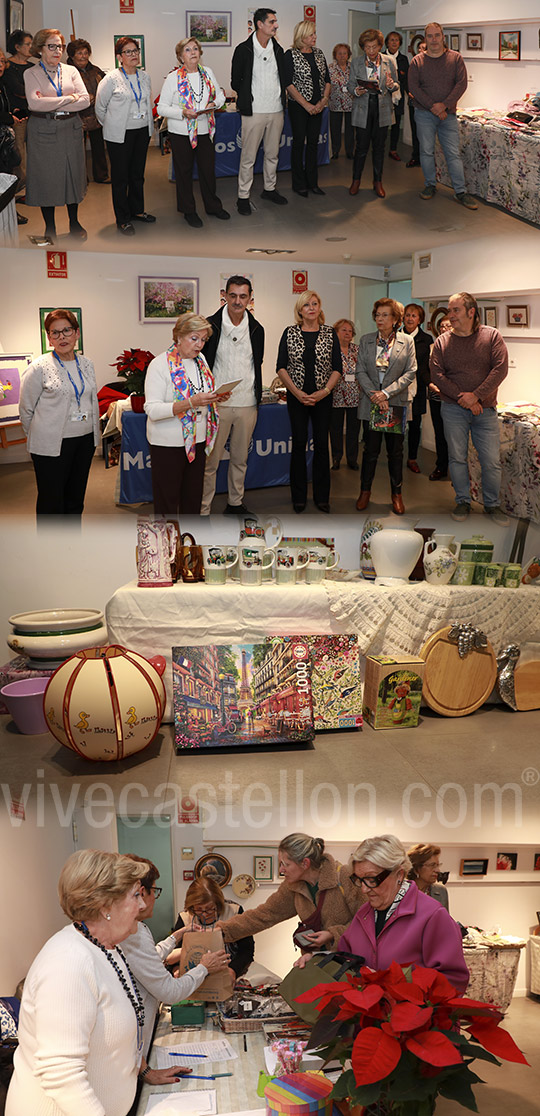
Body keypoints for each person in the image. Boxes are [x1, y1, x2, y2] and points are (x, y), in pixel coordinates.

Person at [5, 849, 181, 1116]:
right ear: (105, 905)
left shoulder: (107, 948)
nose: (143, 905)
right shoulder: (68, 962)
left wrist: (144, 1071)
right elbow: (62, 1075)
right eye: (135, 896)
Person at [119, 856, 229, 1060]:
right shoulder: (130, 932)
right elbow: (170, 991)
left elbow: (151, 955)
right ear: (141, 893)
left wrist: (179, 934)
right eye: (155, 890)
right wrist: (204, 967)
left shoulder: (137, 929)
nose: (152, 899)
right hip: (132, 1044)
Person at [337, 835, 468, 991]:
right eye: (359, 880)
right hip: (368, 1013)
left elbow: (453, 981)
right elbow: (345, 960)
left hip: (411, 1014)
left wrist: (391, 988)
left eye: (371, 879)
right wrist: (317, 961)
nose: (364, 889)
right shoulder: (364, 913)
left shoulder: (432, 915)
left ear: (399, 875)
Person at [430, 291, 509, 524]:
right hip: (453, 409)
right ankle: (463, 501)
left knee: (491, 461)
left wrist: (476, 396)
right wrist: (463, 398)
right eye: (449, 310)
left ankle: (492, 505)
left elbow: (500, 370)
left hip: (485, 409)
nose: (450, 315)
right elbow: (437, 375)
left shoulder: (492, 336)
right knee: (456, 458)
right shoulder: (442, 341)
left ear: (471, 311)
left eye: (455, 310)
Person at [144, 311, 231, 515]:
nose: (200, 345)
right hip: (167, 444)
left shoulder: (200, 361)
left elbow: (202, 392)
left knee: (192, 500)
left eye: (203, 339)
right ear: (178, 336)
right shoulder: (159, 365)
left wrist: (216, 397)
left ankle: (189, 543)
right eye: (194, 339)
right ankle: (168, 545)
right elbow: (152, 409)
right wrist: (190, 403)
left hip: (197, 440)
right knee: (167, 503)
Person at [217, 833, 362, 951]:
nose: (281, 870)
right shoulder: (292, 886)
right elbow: (264, 915)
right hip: (317, 962)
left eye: (285, 864)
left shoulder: (344, 876)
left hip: (351, 961)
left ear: (305, 863)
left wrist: (333, 934)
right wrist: (221, 931)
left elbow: (367, 922)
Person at [19, 309, 99, 517]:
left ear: (77, 333)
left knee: (75, 499)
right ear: (49, 338)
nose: (62, 337)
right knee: (51, 502)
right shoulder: (39, 368)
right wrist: (39, 437)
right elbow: (26, 409)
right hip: (51, 445)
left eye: (67, 330)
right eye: (55, 333)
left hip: (84, 441)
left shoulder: (87, 364)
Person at [200, 275, 264, 516]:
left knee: (240, 459)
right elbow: (200, 363)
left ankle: (235, 503)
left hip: (247, 404)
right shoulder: (209, 326)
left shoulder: (257, 329)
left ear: (250, 299)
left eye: (243, 296)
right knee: (210, 462)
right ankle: (203, 508)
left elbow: (256, 364)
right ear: (224, 295)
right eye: (233, 295)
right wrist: (210, 394)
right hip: (217, 406)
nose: (238, 301)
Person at [276, 290, 342, 514]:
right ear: (300, 310)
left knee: (322, 447)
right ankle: (299, 497)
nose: (311, 308)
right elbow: (281, 366)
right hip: (297, 398)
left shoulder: (330, 333)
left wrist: (324, 391)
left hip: (323, 399)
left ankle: (322, 497)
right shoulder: (290, 332)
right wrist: (295, 392)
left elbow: (337, 369)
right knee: (298, 446)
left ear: (320, 308)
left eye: (315, 304)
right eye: (307, 305)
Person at [23, 28, 90, 241]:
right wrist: (70, 98)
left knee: (73, 176)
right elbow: (35, 103)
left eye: (59, 46)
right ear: (40, 49)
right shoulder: (31, 73)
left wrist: (50, 102)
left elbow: (86, 100)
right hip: (43, 130)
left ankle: (74, 221)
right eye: (51, 46)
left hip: (70, 128)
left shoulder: (71, 71)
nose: (57, 51)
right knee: (46, 179)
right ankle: (49, 227)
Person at [157, 37, 228, 229]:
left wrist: (215, 103)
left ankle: (213, 207)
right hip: (181, 133)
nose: (193, 52)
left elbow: (220, 95)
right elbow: (161, 108)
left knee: (207, 170)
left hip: (205, 130)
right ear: (181, 56)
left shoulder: (208, 73)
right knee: (184, 172)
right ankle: (188, 210)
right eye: (187, 50)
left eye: (195, 48)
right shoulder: (173, 78)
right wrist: (182, 112)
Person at [355, 298, 416, 516]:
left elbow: (410, 372)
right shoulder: (366, 340)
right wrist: (376, 395)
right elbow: (360, 370)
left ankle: (396, 495)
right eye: (377, 315)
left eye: (385, 315)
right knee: (370, 451)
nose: (380, 319)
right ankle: (364, 492)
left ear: (396, 319)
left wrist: (386, 394)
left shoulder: (407, 341)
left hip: (395, 403)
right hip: (372, 403)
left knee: (395, 453)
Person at [407, 22, 477, 210]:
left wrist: (444, 106)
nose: (434, 39)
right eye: (430, 36)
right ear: (425, 39)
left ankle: (460, 192)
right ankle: (430, 185)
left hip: (449, 115)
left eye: (437, 35)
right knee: (426, 152)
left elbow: (461, 85)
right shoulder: (417, 61)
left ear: (443, 37)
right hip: (424, 114)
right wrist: (433, 107)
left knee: (453, 154)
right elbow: (413, 87)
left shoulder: (455, 59)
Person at [95, 36, 154, 236]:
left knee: (137, 175)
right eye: (128, 52)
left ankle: (137, 210)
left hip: (141, 132)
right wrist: (112, 125)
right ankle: (122, 218)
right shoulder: (111, 79)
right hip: (119, 135)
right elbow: (100, 107)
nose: (133, 55)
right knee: (121, 178)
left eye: (135, 51)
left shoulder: (145, 76)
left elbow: (147, 102)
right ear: (119, 57)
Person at [231, 7, 288, 215]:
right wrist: (248, 98)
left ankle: (269, 189)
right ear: (259, 24)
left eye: (275, 21)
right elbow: (235, 81)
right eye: (272, 22)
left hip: (277, 110)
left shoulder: (278, 50)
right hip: (253, 112)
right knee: (248, 157)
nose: (276, 25)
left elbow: (283, 78)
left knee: (273, 154)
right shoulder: (243, 50)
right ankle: (243, 196)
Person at [348, 29, 399, 199]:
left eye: (374, 47)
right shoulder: (356, 62)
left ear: (380, 45)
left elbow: (396, 85)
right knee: (361, 147)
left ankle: (378, 181)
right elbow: (350, 86)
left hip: (382, 108)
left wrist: (392, 85)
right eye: (367, 47)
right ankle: (356, 180)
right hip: (363, 108)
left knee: (379, 148)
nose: (371, 51)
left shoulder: (389, 61)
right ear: (362, 47)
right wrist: (356, 90)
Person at [169, 876, 255, 977]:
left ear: (218, 904)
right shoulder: (185, 918)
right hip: (195, 976)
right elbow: (172, 953)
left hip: (231, 973)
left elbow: (247, 950)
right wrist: (176, 970)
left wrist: (233, 970)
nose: (204, 914)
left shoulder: (234, 912)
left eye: (210, 909)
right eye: (199, 910)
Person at [283, 21, 330, 197]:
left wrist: (323, 101)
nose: (315, 37)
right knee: (298, 144)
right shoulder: (291, 55)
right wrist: (306, 105)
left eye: (315, 34)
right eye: (311, 34)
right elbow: (288, 83)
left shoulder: (319, 53)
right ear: (302, 36)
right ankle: (299, 183)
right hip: (299, 107)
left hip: (318, 107)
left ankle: (313, 182)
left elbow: (327, 79)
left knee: (312, 144)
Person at [66, 38, 109, 183]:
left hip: (95, 115)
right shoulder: (67, 72)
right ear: (72, 55)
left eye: (86, 53)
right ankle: (80, 179)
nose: (83, 56)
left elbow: (106, 87)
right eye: (79, 53)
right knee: (78, 151)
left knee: (99, 149)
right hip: (76, 116)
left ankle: (102, 176)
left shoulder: (95, 70)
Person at [401, 303, 432, 475]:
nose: (410, 318)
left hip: (418, 389)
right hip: (397, 389)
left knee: (414, 426)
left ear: (419, 319)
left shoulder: (426, 340)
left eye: (414, 315)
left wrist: (430, 383)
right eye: (407, 315)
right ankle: (396, 456)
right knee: (396, 425)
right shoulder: (395, 336)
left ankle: (412, 459)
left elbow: (427, 366)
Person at [3, 29, 34, 198]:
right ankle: (20, 190)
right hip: (18, 115)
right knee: (19, 152)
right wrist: (35, 93)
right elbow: (19, 91)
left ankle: (32, 186)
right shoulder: (8, 66)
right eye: (27, 44)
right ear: (17, 47)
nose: (31, 47)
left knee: (34, 151)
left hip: (34, 113)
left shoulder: (32, 66)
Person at [329, 317, 360, 470]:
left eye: (350, 331)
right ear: (336, 332)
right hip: (336, 395)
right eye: (344, 330)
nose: (347, 333)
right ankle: (336, 458)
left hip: (355, 395)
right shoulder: (330, 349)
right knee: (336, 428)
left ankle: (352, 459)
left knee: (354, 429)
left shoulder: (357, 349)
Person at [428, 313, 450, 480]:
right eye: (442, 326)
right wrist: (430, 384)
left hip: (454, 398)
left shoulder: (460, 345)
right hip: (436, 396)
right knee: (440, 433)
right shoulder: (432, 346)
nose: (444, 329)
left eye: (448, 326)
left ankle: (457, 470)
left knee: (455, 434)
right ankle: (441, 466)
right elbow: (425, 370)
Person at [384, 31, 408, 161]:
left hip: (398, 96)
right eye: (391, 40)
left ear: (399, 43)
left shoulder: (403, 59)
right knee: (381, 124)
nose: (394, 42)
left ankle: (393, 149)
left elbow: (407, 79)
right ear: (387, 42)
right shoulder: (380, 56)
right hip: (383, 96)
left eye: (396, 40)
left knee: (396, 124)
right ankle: (379, 147)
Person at [328, 43, 354, 160]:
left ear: (348, 54)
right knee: (335, 129)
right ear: (335, 55)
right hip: (335, 103)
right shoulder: (330, 68)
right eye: (339, 53)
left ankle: (349, 151)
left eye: (344, 53)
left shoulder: (353, 68)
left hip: (351, 103)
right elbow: (326, 85)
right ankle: (335, 151)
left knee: (350, 129)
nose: (342, 56)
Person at [407, 843, 449, 910]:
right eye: (432, 865)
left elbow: (445, 919)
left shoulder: (441, 891)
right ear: (416, 869)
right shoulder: (402, 891)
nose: (437, 870)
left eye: (438, 865)